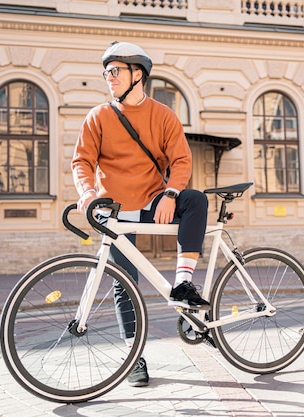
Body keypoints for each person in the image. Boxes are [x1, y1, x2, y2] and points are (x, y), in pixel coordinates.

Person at [71, 41, 210, 387]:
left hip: (153, 201)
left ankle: (182, 283)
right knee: (124, 284)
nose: (109, 78)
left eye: (115, 71)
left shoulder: (163, 115)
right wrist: (87, 193)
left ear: (138, 75)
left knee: (196, 201)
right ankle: (134, 356)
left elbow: (180, 161)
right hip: (115, 210)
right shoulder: (98, 116)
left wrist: (171, 193)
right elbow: (82, 162)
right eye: (106, 72)